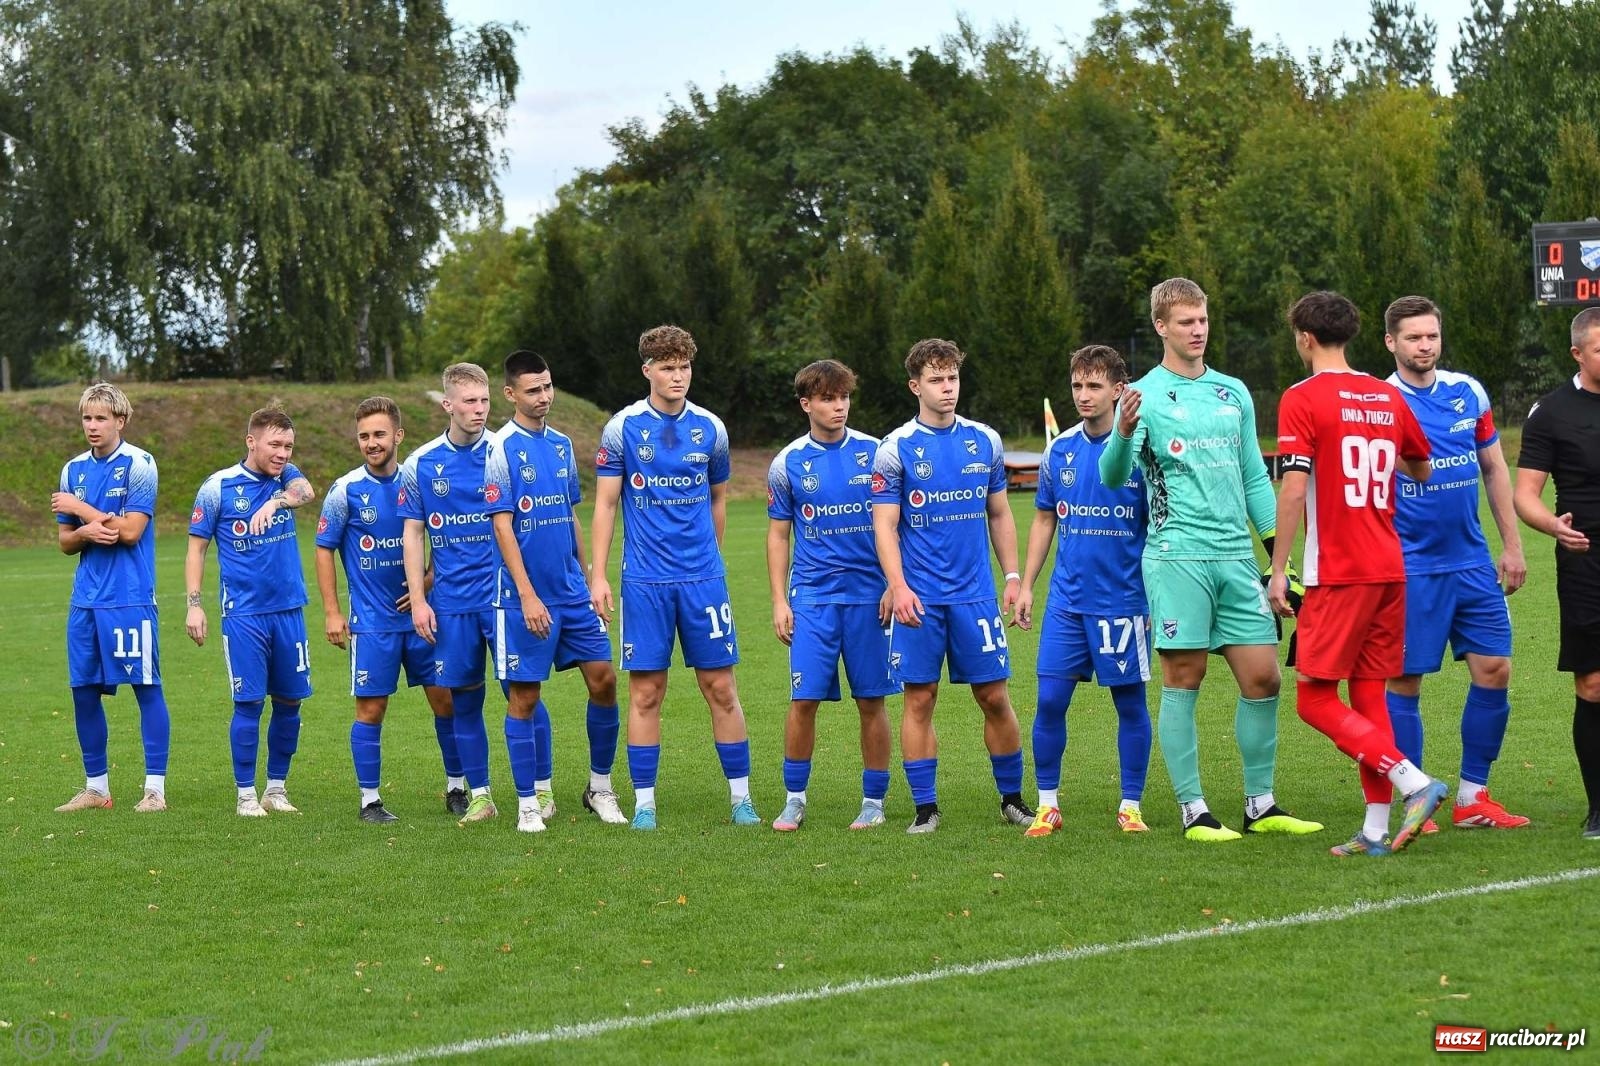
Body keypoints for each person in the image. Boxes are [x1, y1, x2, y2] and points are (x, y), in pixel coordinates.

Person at [1100, 277, 1321, 841]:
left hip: (1235, 559)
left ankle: (1260, 804)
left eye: (1202, 321)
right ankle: (1193, 809)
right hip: (1177, 558)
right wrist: (1122, 433)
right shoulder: (1142, 395)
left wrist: (1279, 559)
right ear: (1161, 327)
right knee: (1184, 676)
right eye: (1185, 323)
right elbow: (1112, 475)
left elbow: (1253, 476)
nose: (1197, 331)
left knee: (1264, 677)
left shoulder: (1233, 392)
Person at [1267, 290, 1450, 857]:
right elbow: (1421, 465)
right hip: (1389, 568)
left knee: (1313, 699)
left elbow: (1294, 487)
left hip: (1337, 572)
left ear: (1304, 337)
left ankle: (1414, 782)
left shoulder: (1302, 398)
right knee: (1369, 694)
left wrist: (1278, 570)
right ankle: (1374, 831)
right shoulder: (1385, 396)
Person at [589, 325, 760, 830]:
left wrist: (710, 560)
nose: (678, 376)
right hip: (644, 581)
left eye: (684, 366)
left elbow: (718, 499)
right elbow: (605, 503)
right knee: (646, 692)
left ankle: (742, 800)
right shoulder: (622, 428)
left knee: (721, 688)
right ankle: (644, 803)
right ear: (648, 371)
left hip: (703, 580)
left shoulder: (711, 428)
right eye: (667, 367)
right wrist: (598, 575)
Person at [872, 338, 1035, 834]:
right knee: (919, 699)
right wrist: (897, 586)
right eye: (937, 380)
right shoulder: (894, 449)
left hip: (975, 598)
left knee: (994, 696)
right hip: (920, 599)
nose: (947, 388)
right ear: (914, 386)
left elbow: (1000, 512)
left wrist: (1011, 577)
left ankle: (1013, 797)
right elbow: (883, 526)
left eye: (953, 378)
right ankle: (926, 806)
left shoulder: (984, 440)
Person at [1383, 295, 1529, 830]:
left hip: (1470, 562)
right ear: (1391, 343)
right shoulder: (1380, 401)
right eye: (1414, 337)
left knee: (1495, 668)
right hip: (1409, 566)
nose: (1425, 345)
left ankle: (1472, 796)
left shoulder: (1467, 392)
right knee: (1404, 681)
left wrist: (1510, 546)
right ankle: (1415, 799)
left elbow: (1493, 468)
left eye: (1432, 336)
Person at [486, 349, 625, 832]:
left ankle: (599, 787)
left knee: (604, 680)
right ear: (510, 395)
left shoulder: (563, 445)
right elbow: (503, 528)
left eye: (548, 387)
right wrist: (526, 595)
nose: (544, 397)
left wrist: (590, 580)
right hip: (525, 596)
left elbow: (570, 516)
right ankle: (528, 802)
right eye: (533, 390)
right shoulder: (499, 449)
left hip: (571, 593)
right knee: (524, 696)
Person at [1016, 345, 1152, 837]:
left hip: (1123, 602)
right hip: (1067, 604)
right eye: (1077, 385)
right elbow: (1045, 517)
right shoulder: (1060, 450)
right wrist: (1026, 585)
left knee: (1129, 703)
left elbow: (1159, 526)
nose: (1083, 395)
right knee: (1050, 700)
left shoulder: (1142, 450)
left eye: (1094, 386)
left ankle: (1130, 805)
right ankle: (1047, 804)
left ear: (1119, 390)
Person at [315, 397, 465, 824]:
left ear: (397, 435)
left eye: (379, 434)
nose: (371, 443)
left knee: (446, 701)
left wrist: (430, 579)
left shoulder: (418, 482)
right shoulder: (345, 491)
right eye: (364, 436)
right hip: (373, 624)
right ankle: (370, 801)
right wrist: (332, 611)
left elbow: (448, 532)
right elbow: (323, 550)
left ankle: (457, 788)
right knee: (371, 710)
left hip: (423, 619)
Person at [765, 359, 897, 832]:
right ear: (806, 404)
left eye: (843, 397)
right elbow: (779, 535)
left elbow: (896, 525)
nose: (838, 406)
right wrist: (781, 600)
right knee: (804, 700)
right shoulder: (788, 463)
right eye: (827, 398)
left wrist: (893, 584)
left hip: (870, 599)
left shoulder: (878, 453)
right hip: (814, 599)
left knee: (872, 701)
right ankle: (794, 799)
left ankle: (873, 802)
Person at [186, 408, 317, 816]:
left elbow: (307, 493)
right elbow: (197, 548)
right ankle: (245, 793)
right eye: (274, 445)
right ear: (251, 441)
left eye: (288, 446)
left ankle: (275, 788)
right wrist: (195, 606)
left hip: (289, 610)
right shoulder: (218, 487)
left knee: (291, 702)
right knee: (248, 703)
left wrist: (276, 501)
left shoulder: (287, 476)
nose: (282, 453)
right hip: (244, 615)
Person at [52, 382, 171, 813]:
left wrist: (80, 510)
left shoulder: (140, 464)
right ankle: (96, 788)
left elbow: (131, 531)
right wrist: (85, 530)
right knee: (83, 691)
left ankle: (154, 789)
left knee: (145, 686)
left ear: (120, 420)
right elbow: (66, 542)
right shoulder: (73, 470)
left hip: (129, 598)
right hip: (86, 600)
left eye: (101, 418)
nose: (92, 426)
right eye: (87, 417)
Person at [401, 363, 502, 826]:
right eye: (469, 402)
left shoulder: (505, 450)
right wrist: (420, 600)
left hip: (503, 596)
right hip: (453, 603)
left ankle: (538, 792)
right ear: (448, 405)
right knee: (463, 698)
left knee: (523, 693)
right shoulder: (421, 463)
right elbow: (413, 534)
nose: (479, 410)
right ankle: (479, 795)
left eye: (483, 401)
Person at [1513, 306, 1600, 840]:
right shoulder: (1551, 413)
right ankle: (1599, 808)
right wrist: (1554, 526)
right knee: (1592, 685)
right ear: (1577, 353)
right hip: (1586, 559)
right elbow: (1526, 495)